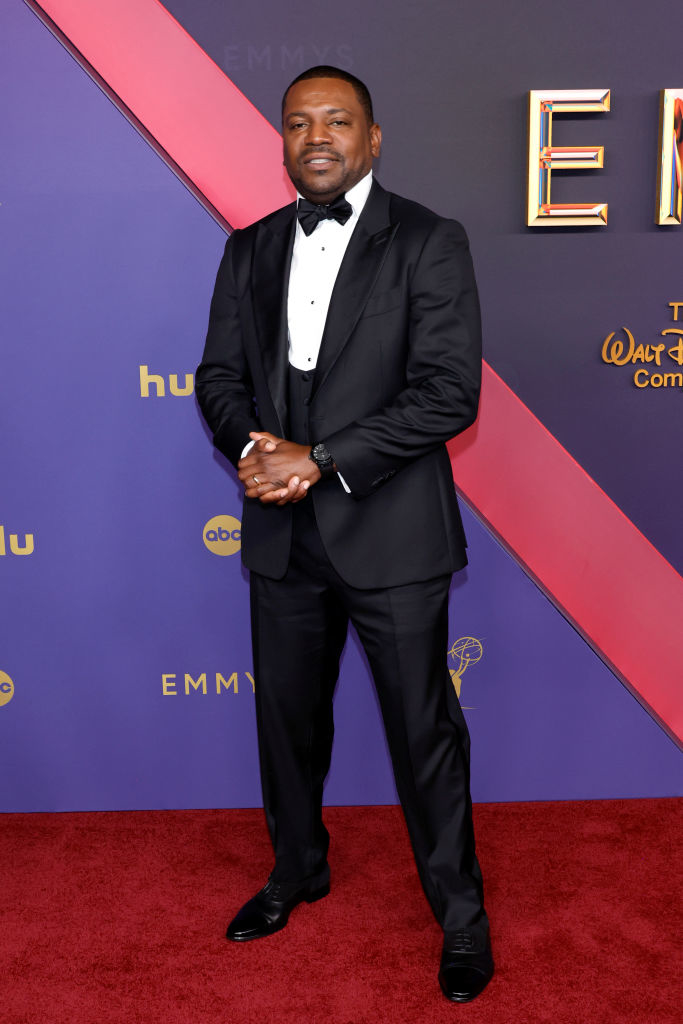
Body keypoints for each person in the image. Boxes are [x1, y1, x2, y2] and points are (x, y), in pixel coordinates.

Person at [195, 65, 493, 1004]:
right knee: (286, 725)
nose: (315, 136)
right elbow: (216, 375)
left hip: (391, 535)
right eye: (297, 123)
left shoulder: (429, 241)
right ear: (281, 141)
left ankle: (461, 917)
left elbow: (448, 393)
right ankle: (297, 869)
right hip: (283, 539)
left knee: (423, 732)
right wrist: (255, 449)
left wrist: (316, 457)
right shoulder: (247, 249)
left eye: (336, 121)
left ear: (372, 138)